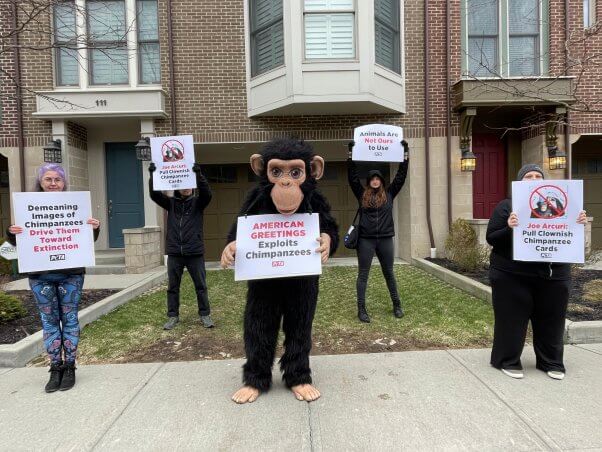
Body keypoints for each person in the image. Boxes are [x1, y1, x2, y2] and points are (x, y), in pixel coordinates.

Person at [487, 163, 587, 380]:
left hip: (553, 275)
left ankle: (551, 362)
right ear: (519, 182)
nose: (533, 179)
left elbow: (571, 236)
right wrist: (509, 227)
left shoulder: (565, 206)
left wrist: (578, 222)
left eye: (538, 175)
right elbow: (492, 238)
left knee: (551, 321)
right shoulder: (507, 206)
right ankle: (508, 360)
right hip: (512, 275)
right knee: (510, 321)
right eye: (528, 176)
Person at [6, 163, 101, 393]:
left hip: (71, 274)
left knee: (69, 320)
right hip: (41, 276)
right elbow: (15, 243)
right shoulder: (28, 207)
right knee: (49, 323)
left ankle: (69, 366)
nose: (52, 183)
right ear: (40, 182)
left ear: (64, 183)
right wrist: (12, 233)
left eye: (57, 179)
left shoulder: (74, 206)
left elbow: (87, 241)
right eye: (48, 179)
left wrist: (94, 228)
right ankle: (55, 367)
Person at [347, 140, 409, 323]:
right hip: (365, 240)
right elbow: (351, 177)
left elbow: (401, 177)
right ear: (369, 182)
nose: (375, 180)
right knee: (363, 274)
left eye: (378, 178)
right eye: (372, 178)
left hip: (385, 240)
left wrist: (406, 155)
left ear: (381, 181)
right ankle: (361, 309)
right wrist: (350, 155)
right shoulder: (361, 194)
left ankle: (397, 305)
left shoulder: (389, 194)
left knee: (389, 272)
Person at [148, 162, 213, 330]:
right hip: (175, 252)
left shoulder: (199, 203)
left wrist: (199, 176)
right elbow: (154, 195)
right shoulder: (170, 203)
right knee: (173, 287)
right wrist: (153, 176)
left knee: (201, 286)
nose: (187, 188)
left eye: (190, 185)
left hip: (194, 252)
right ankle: (173, 316)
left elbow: (207, 194)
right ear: (177, 187)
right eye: (183, 185)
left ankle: (205, 315)